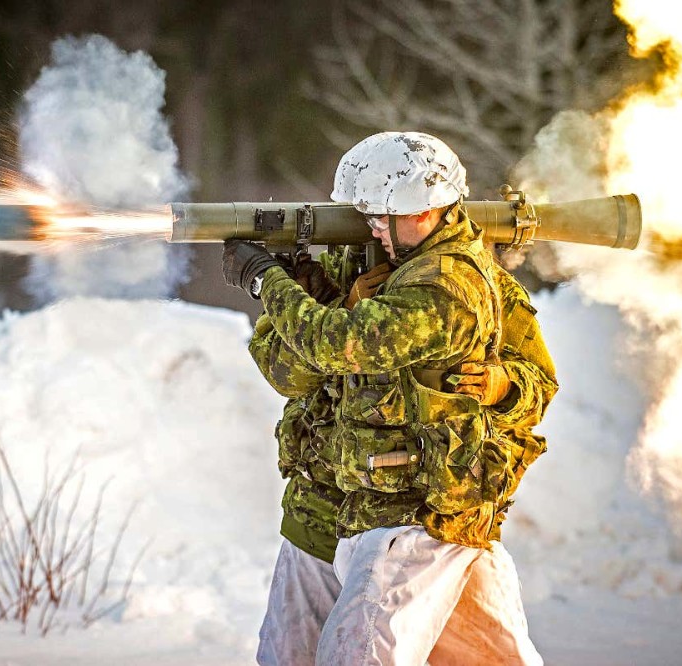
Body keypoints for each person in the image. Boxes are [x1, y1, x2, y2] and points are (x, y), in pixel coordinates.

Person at [223, 132, 557, 665]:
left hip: (418, 508)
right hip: (335, 496)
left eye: (382, 214)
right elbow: (289, 371)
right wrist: (309, 287)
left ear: (424, 209)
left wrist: (270, 284)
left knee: (360, 655)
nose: (372, 226)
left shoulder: (449, 286)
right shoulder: (366, 260)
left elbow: (340, 344)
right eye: (366, 215)